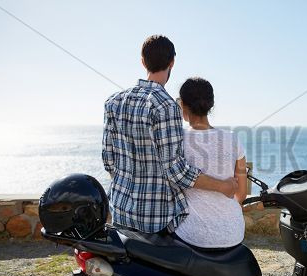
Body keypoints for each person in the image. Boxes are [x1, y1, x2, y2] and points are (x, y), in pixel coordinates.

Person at [102, 35, 238, 234]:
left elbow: (108, 161)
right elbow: (176, 171)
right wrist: (223, 186)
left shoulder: (113, 102)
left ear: (143, 62)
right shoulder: (166, 106)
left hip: (120, 211)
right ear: (172, 62)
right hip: (157, 219)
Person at [174, 77, 247, 248]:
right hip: (234, 232)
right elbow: (241, 194)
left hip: (194, 235)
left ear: (183, 105)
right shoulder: (233, 139)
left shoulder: (177, 140)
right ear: (211, 105)